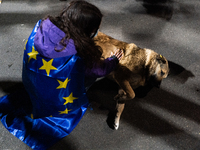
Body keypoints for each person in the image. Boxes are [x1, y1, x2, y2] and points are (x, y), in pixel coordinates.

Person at [0, 1, 123, 150]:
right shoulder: (79, 52)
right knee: (89, 74)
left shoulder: (44, 25)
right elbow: (100, 70)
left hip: (34, 82)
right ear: (86, 30)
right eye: (95, 29)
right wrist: (113, 60)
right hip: (57, 95)